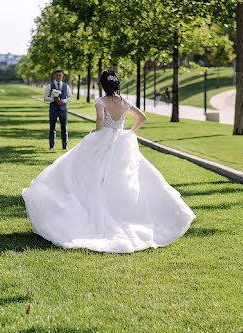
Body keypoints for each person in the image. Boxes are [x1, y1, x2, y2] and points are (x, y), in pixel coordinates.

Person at [22, 69, 195, 253]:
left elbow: (100, 118)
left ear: (103, 85)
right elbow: (142, 117)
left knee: (82, 171)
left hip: (103, 138)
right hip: (120, 140)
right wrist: (130, 132)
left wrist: (97, 131)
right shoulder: (124, 101)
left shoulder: (100, 101)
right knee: (121, 179)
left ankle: (86, 204)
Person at [43, 69, 72, 150]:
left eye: (60, 75)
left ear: (62, 76)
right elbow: (45, 98)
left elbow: (70, 97)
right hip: (53, 110)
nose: (58, 77)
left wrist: (64, 101)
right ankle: (51, 146)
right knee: (52, 128)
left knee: (64, 128)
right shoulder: (49, 86)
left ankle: (65, 146)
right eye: (57, 75)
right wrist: (52, 100)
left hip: (63, 110)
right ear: (54, 76)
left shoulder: (66, 86)